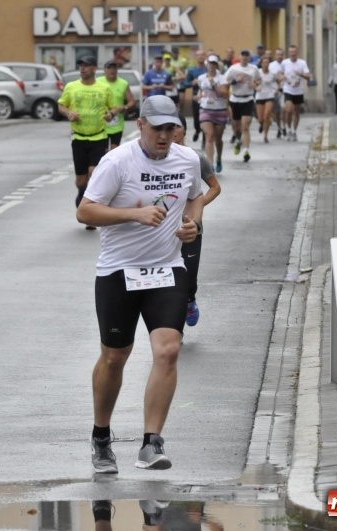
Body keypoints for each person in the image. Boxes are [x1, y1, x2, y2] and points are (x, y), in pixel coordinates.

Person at [77, 95, 204, 473]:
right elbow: (85, 210)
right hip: (118, 271)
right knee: (115, 357)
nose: (165, 136)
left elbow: (195, 197)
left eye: (172, 128)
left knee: (168, 350)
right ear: (141, 126)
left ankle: (152, 443)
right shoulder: (117, 162)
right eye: (158, 128)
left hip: (167, 268)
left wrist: (191, 224)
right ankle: (102, 436)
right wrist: (133, 214)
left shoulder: (188, 159)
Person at [173, 114, 221, 327]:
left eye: (175, 127)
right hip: (163, 230)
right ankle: (174, 328)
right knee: (170, 282)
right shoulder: (151, 161)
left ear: (184, 131)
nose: (170, 132)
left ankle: (190, 300)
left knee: (188, 279)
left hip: (191, 227)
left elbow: (215, 188)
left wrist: (196, 208)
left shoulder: (195, 158)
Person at [57, 55, 116, 226]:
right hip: (79, 137)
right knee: (82, 180)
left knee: (94, 172)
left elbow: (112, 107)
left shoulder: (104, 88)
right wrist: (68, 113)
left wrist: (110, 113)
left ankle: (91, 207)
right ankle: (82, 192)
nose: (82, 68)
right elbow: (62, 105)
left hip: (99, 136)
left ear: (94, 69)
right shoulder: (71, 87)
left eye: (86, 65)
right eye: (81, 65)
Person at [224, 49, 260, 162]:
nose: (244, 57)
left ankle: (246, 151)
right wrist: (235, 81)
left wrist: (254, 84)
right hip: (235, 99)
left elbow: (259, 80)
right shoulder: (233, 68)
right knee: (236, 127)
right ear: (240, 57)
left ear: (249, 57)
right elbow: (224, 82)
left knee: (245, 126)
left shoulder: (253, 68)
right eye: (243, 55)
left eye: (247, 55)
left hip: (248, 99)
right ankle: (238, 140)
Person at [196, 55, 229, 173]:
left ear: (217, 65)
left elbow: (225, 94)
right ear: (207, 64)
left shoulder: (222, 78)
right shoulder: (201, 78)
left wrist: (214, 85)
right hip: (205, 109)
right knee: (209, 136)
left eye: (214, 64)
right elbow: (202, 91)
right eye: (210, 63)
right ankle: (210, 164)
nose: (212, 66)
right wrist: (199, 96)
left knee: (218, 138)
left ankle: (219, 157)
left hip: (219, 110)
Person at [99, 60, 136, 150]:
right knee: (102, 151)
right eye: (109, 68)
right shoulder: (98, 82)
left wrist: (125, 107)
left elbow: (132, 101)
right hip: (101, 123)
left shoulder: (123, 83)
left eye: (114, 68)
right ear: (104, 70)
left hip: (117, 123)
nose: (112, 70)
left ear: (117, 70)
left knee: (114, 150)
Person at [280, 44, 311, 142]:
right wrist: (282, 77)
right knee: (288, 110)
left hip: (298, 90)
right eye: (291, 52)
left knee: (296, 112)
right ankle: (288, 129)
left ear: (297, 53)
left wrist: (300, 74)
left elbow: (308, 77)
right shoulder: (285, 63)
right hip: (288, 89)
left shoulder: (302, 63)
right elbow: (279, 73)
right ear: (288, 53)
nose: (293, 54)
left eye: (294, 52)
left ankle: (294, 131)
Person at [185, 49, 208, 145]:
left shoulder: (208, 69)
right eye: (198, 55)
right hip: (196, 98)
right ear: (196, 57)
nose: (200, 57)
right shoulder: (192, 70)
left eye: (202, 55)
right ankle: (197, 130)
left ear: (205, 56)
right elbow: (185, 84)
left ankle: (204, 140)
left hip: (206, 97)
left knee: (205, 119)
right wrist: (192, 83)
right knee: (197, 119)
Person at [256, 55, 280, 143]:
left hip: (270, 95)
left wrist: (277, 90)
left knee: (266, 115)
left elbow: (279, 81)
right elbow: (252, 82)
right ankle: (261, 124)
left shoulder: (272, 74)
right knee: (260, 119)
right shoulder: (257, 72)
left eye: (267, 63)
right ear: (261, 64)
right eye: (264, 63)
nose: (266, 64)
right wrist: (256, 87)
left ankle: (265, 136)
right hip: (260, 96)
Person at [269, 47, 286, 138]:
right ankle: (280, 128)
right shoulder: (271, 65)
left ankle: (284, 126)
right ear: (275, 55)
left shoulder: (286, 64)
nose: (279, 56)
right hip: (274, 91)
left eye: (281, 55)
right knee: (277, 112)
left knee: (284, 109)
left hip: (284, 90)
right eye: (278, 55)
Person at [169, 46, 189, 112]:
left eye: (176, 53)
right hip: (173, 82)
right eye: (174, 53)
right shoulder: (169, 61)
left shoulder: (183, 60)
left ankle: (180, 113)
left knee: (181, 100)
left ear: (178, 53)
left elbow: (187, 70)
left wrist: (184, 75)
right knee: (173, 101)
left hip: (181, 82)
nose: (175, 54)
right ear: (171, 53)